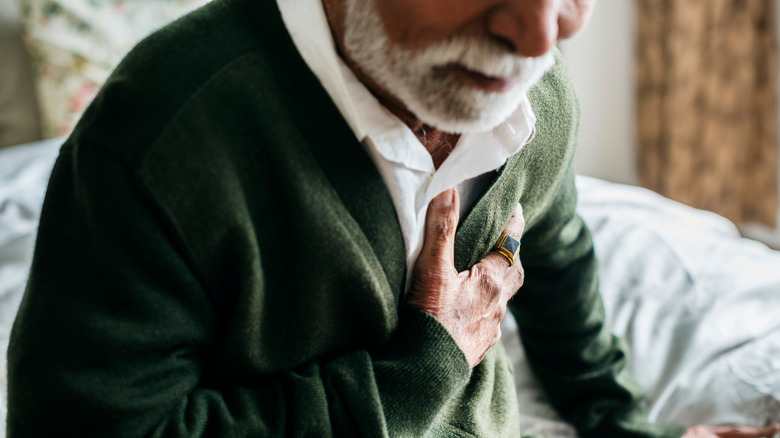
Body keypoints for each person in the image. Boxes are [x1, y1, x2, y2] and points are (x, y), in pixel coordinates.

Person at [6, 0, 780, 436]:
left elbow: (560, 258)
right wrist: (418, 372)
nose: (542, 37)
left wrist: (622, 428)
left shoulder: (541, 96)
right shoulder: (160, 134)